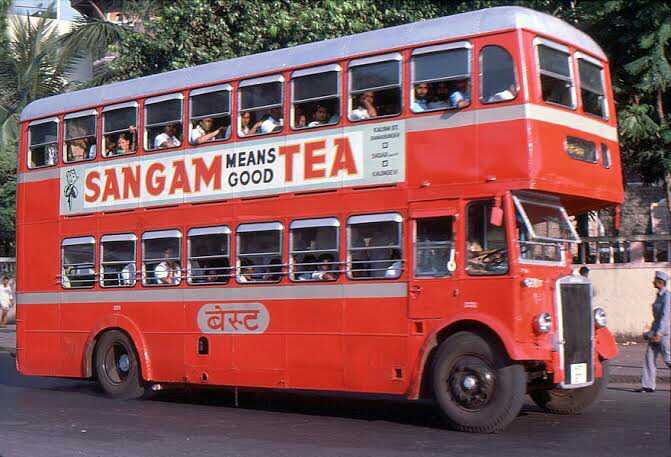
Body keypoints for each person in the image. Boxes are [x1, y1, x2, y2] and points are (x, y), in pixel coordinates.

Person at [639, 270, 671, 392]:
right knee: (649, 358)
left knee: (668, 358)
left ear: (660, 282)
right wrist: (650, 333)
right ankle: (647, 386)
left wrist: (659, 333)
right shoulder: (659, 296)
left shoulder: (667, 297)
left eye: (655, 280)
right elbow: (657, 318)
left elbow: (665, 316)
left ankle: (648, 385)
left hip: (663, 333)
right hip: (655, 331)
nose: (653, 282)